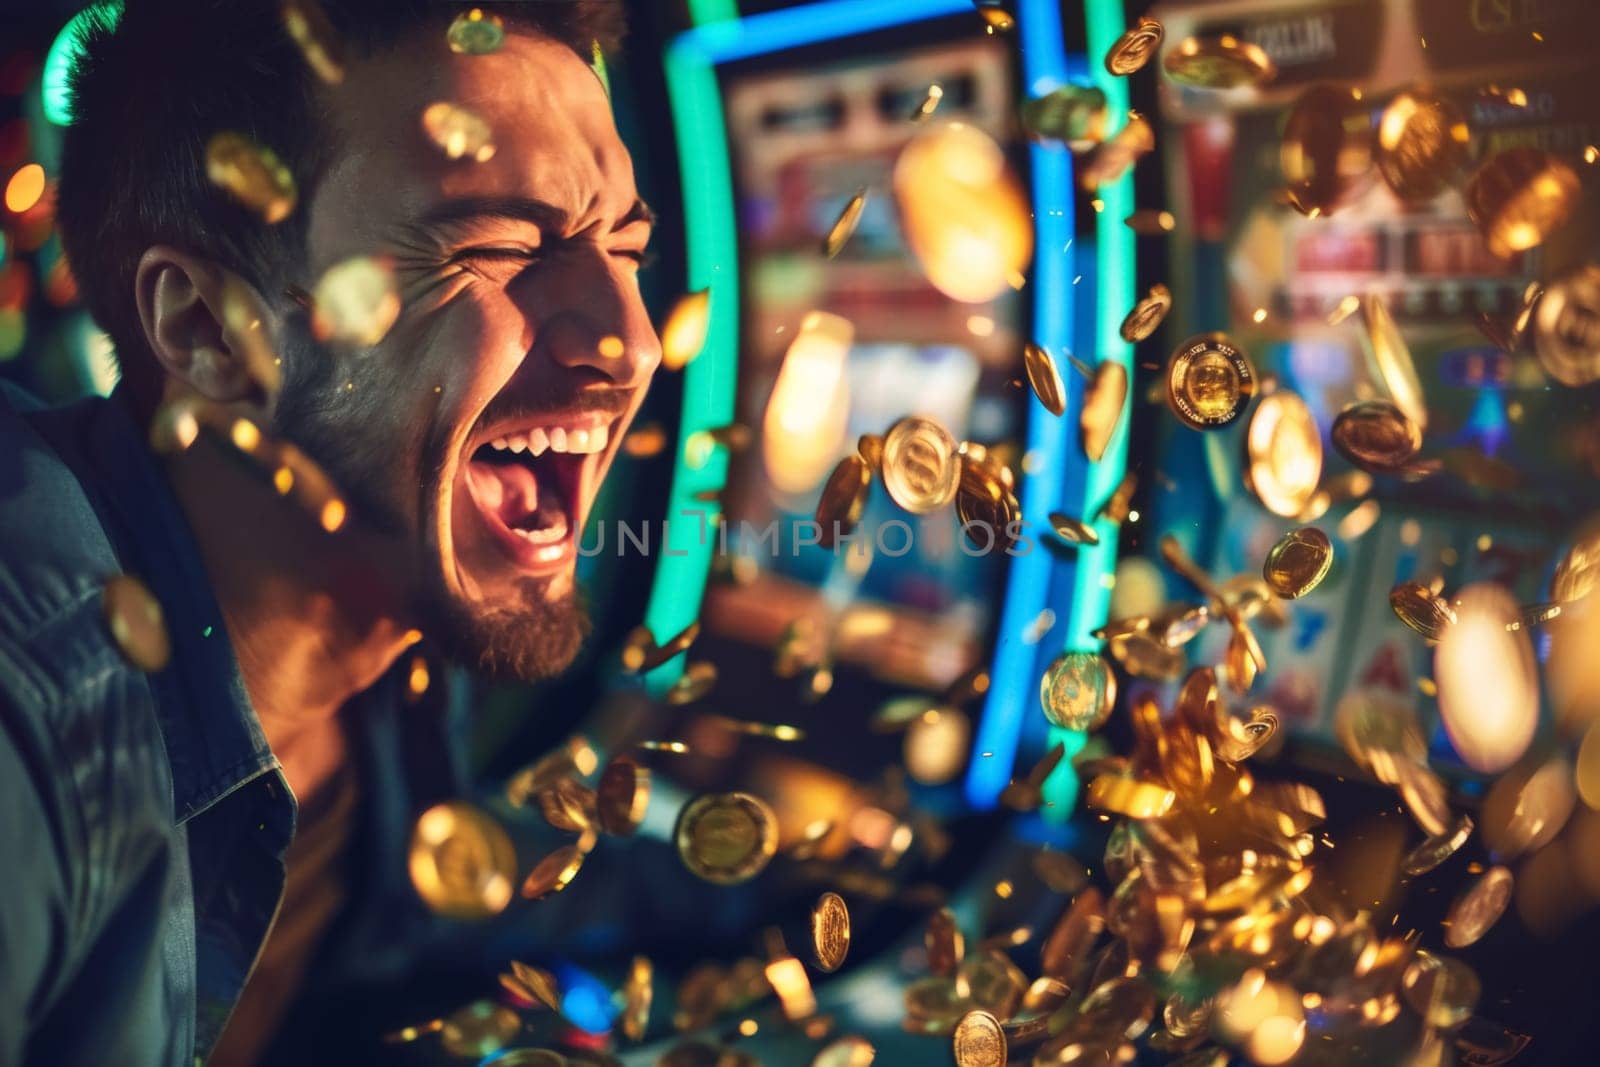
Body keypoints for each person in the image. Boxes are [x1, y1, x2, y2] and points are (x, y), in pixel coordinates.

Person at [0, 1, 660, 1063]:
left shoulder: (393, 616)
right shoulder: (34, 723)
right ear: (209, 331)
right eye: (499, 248)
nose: (631, 342)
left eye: (626, 246)